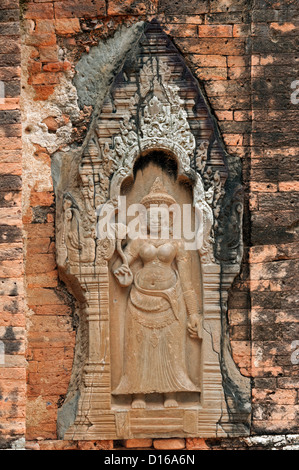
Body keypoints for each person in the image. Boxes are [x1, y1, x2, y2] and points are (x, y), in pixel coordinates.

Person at [112, 178, 201, 409]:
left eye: (161, 215)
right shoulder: (138, 240)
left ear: (170, 217)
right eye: (151, 214)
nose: (156, 218)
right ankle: (137, 393)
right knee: (138, 348)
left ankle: (170, 392)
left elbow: (188, 282)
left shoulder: (178, 243)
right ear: (145, 217)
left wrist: (194, 314)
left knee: (170, 349)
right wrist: (123, 272)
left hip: (170, 302)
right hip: (139, 300)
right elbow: (122, 264)